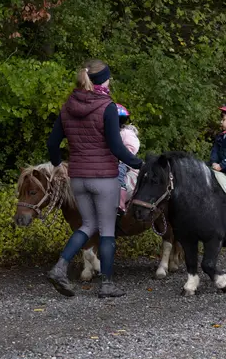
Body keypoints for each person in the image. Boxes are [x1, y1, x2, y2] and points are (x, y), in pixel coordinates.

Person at [47, 59, 143, 298]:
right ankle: (107, 285)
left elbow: (52, 143)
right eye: (109, 77)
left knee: (88, 225)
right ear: (103, 80)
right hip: (103, 178)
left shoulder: (68, 106)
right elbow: (117, 148)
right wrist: (141, 165)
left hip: (78, 178)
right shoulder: (107, 107)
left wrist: (58, 165)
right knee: (107, 230)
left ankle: (60, 267)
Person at [116, 104, 140, 213]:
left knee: (119, 176)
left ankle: (120, 203)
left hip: (124, 162)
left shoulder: (126, 133)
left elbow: (131, 148)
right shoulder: (111, 132)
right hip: (114, 160)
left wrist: (122, 156)